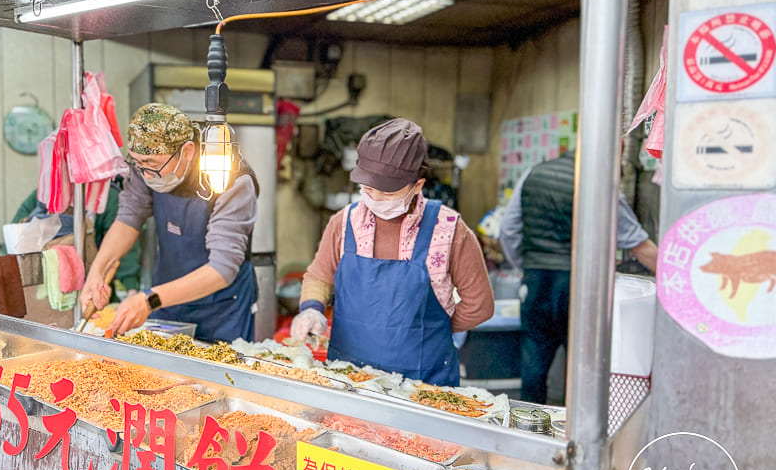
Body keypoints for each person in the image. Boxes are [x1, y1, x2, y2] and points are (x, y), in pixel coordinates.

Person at [290, 119, 494, 385]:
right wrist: (311, 310)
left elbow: (479, 304)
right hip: (349, 379)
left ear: (417, 185)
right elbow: (319, 276)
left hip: (423, 386)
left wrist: (430, 330)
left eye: (387, 193)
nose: (374, 199)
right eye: (368, 189)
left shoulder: (449, 231)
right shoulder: (344, 222)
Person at [79, 104, 258, 341]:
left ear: (187, 151)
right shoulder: (145, 168)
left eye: (153, 165)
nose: (146, 174)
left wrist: (149, 299)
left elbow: (222, 269)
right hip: (165, 300)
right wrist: (97, 272)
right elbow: (128, 218)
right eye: (138, 164)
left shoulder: (231, 180)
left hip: (222, 309)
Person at [498, 149, 658, 404]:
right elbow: (638, 244)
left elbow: (507, 231)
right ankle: (574, 433)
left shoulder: (533, 173)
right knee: (581, 365)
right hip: (579, 285)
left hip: (536, 281)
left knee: (534, 361)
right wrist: (677, 277)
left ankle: (529, 429)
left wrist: (529, 265)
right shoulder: (599, 182)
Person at [12, 179, 142, 300]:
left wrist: (131, 290)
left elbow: (121, 245)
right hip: (40, 292)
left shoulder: (108, 197)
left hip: (93, 291)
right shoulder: (46, 193)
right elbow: (14, 235)